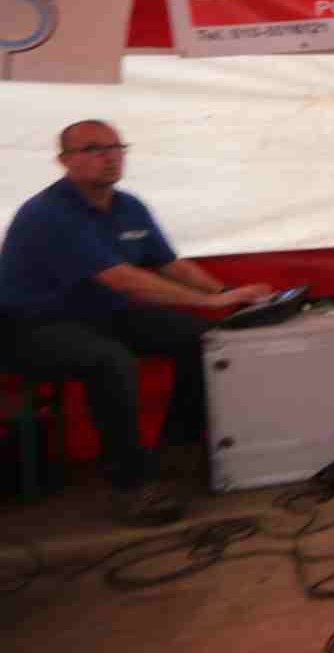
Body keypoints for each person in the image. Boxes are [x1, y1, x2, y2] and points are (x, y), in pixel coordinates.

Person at [0, 121, 272, 524]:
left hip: (99, 316)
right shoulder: (48, 213)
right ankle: (132, 485)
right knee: (110, 361)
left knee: (207, 340)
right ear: (64, 161)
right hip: (30, 326)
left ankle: (178, 451)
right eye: (94, 149)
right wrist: (209, 301)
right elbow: (123, 280)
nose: (109, 156)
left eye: (116, 147)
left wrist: (229, 295)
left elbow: (170, 264)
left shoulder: (129, 206)